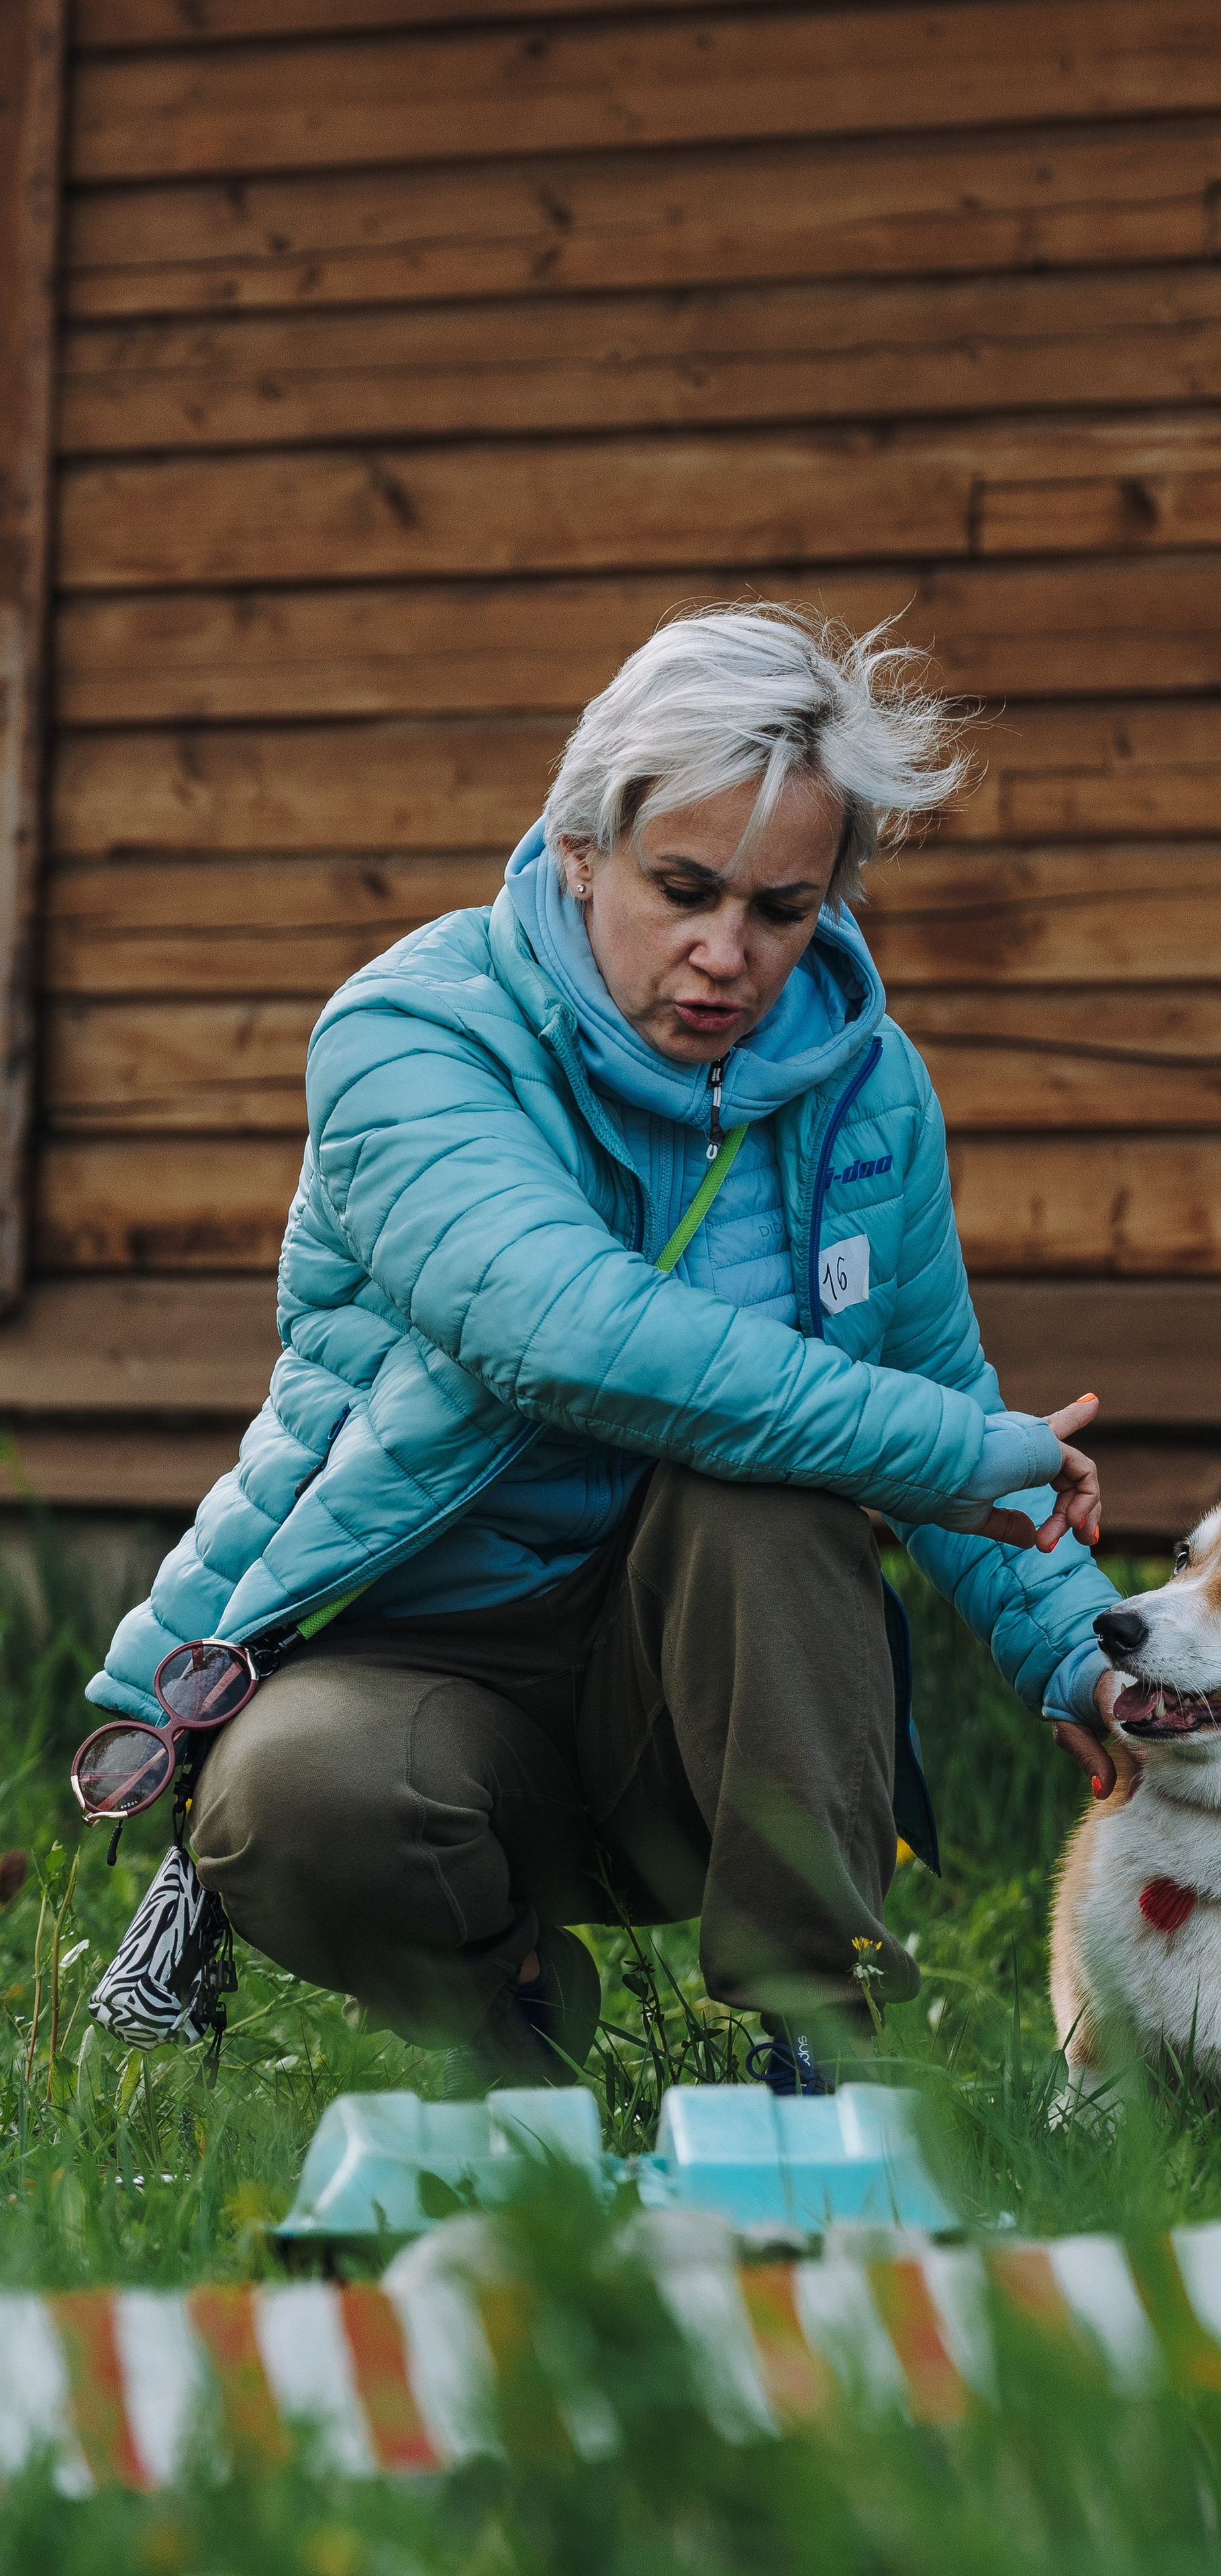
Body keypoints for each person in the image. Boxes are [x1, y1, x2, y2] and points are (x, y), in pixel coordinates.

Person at [87, 606, 1122, 2093]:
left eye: (783, 909)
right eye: (682, 887)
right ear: (581, 845)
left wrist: (1084, 1659)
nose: (727, 955)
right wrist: (955, 1452)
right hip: (421, 1659)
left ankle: (813, 2046)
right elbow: (566, 1335)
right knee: (292, 1790)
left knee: (764, 1486)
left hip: (705, 1687)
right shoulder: (412, 1034)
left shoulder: (863, 1087)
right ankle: (508, 2022)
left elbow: (936, 1385)